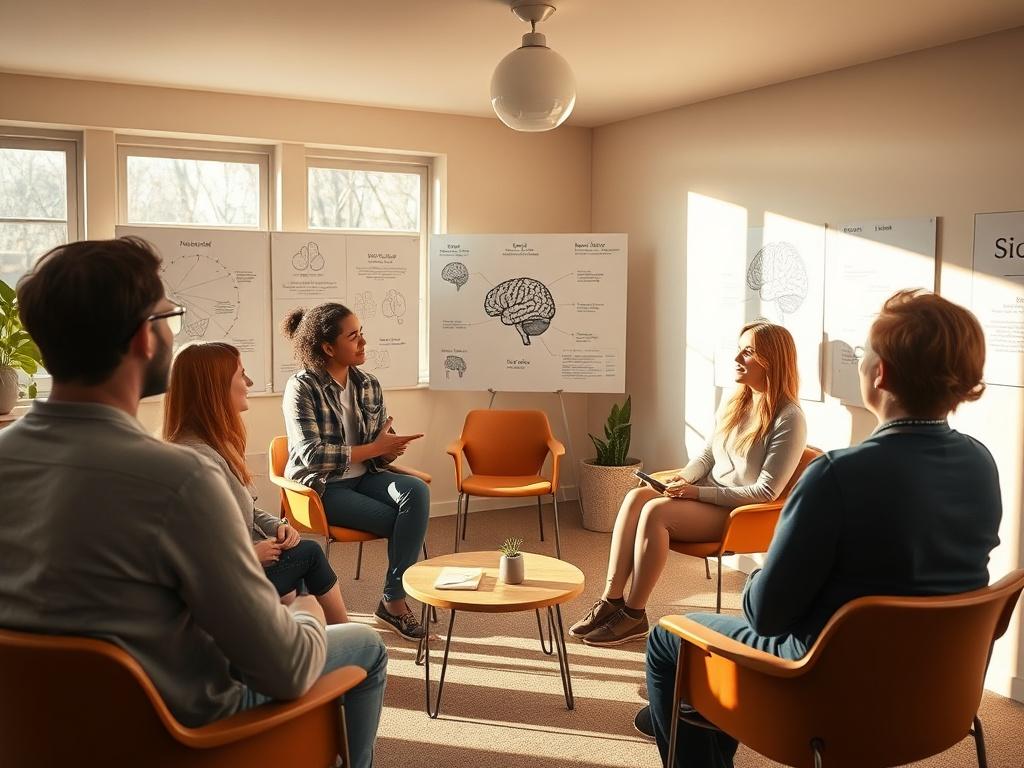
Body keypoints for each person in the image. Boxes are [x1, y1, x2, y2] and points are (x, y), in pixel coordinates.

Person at [0, 238, 386, 768]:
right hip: (180, 733)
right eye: (170, 317)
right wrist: (303, 617)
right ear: (144, 338)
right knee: (364, 645)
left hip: (44, 736)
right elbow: (288, 668)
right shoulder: (181, 478)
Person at [644, 289, 1002, 768]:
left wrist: (756, 576)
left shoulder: (838, 474)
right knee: (688, 690)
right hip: (938, 695)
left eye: (864, 353)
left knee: (668, 638)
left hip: (820, 695)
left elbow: (765, 616)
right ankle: (686, 712)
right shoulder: (981, 463)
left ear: (881, 374)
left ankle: (684, 715)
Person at [571, 321, 807, 647]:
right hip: (707, 496)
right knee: (637, 496)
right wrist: (685, 477)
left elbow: (767, 491)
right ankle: (612, 600)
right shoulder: (736, 401)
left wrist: (696, 492)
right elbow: (708, 455)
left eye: (748, 351)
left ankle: (634, 615)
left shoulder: (789, 418)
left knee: (656, 513)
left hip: (740, 512)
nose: (737, 357)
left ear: (773, 360)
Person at [164, 341, 349, 624]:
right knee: (310, 554)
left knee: (298, 564)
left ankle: (302, 633)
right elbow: (189, 548)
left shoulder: (218, 443)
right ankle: (343, 638)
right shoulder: (197, 460)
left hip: (245, 561)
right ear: (215, 388)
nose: (249, 382)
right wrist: (249, 555)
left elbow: (245, 508)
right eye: (241, 374)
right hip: (229, 580)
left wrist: (278, 525)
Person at [282, 302, 430, 641]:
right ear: (328, 347)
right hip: (325, 488)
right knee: (405, 522)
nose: (363, 342)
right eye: (353, 336)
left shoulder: (368, 384)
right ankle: (395, 603)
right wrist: (376, 448)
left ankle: (391, 600)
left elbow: (376, 445)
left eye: (361, 333)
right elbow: (313, 455)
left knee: (417, 492)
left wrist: (388, 446)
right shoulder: (301, 387)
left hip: (368, 476)